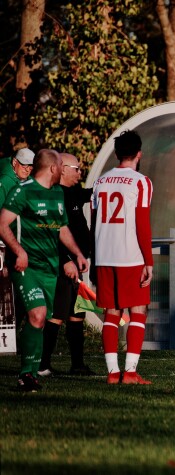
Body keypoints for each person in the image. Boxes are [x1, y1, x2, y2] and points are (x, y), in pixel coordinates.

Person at [0, 149, 89, 392]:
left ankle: (31, 371)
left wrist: (78, 254)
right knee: (38, 314)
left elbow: (61, 228)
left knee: (38, 321)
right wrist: (19, 251)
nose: (64, 169)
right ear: (52, 168)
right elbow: (2, 223)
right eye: (62, 165)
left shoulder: (58, 193)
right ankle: (27, 375)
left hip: (51, 268)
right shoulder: (22, 190)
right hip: (27, 267)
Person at [91, 131, 155, 384]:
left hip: (104, 254)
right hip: (130, 256)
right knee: (138, 311)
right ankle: (129, 371)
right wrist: (148, 261)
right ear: (139, 153)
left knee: (111, 312)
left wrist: (94, 256)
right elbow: (142, 223)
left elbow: (95, 221)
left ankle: (111, 373)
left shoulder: (100, 181)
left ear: (117, 154)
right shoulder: (141, 182)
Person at [39, 152, 94, 376]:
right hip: (63, 265)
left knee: (76, 313)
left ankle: (77, 364)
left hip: (77, 263)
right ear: (62, 169)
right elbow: (52, 232)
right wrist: (65, 261)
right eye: (76, 168)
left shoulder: (73, 193)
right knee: (57, 314)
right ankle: (42, 364)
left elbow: (92, 193)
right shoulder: (54, 195)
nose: (80, 173)